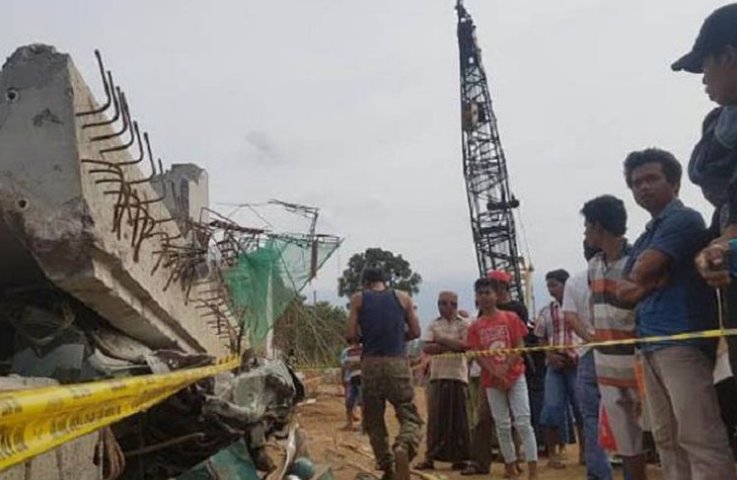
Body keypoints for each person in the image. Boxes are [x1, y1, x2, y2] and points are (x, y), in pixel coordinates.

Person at [618, 148, 736, 480]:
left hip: (681, 339)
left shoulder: (683, 219)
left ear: (674, 182)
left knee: (699, 436)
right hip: (652, 342)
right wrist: (643, 285)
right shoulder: (647, 234)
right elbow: (623, 291)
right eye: (636, 182)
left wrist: (640, 284)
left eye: (651, 178)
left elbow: (639, 275)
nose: (643, 187)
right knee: (667, 439)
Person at [672, 3, 737, 384]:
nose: (703, 80)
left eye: (705, 67)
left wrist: (727, 245)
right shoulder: (719, 128)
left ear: (728, 55)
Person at [569, 195, 648, 480]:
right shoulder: (594, 266)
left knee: (660, 438)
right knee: (627, 444)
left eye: (587, 226)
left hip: (638, 365)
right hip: (607, 368)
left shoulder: (637, 261)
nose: (585, 233)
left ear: (598, 227)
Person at [347, 267, 423, 480]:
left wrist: (365, 337)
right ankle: (404, 446)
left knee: (374, 419)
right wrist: (398, 338)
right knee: (408, 413)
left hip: (370, 364)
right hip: (397, 362)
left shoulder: (358, 299)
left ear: (366, 283)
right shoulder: (403, 297)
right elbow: (416, 332)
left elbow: (351, 334)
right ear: (384, 281)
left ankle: (387, 467)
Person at [466, 277, 538, 480]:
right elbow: (477, 353)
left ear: (496, 295)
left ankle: (533, 471)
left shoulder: (511, 318)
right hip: (491, 381)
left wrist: (505, 368)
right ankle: (511, 467)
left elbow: (519, 345)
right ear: (476, 298)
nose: (485, 297)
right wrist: (494, 371)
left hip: (515, 376)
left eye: (488, 293)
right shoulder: (475, 327)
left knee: (523, 422)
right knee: (502, 425)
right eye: (480, 294)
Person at [560, 241, 613, 480]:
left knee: (591, 416)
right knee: (627, 410)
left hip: (589, 353)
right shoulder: (624, 271)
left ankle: (600, 473)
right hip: (620, 349)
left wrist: (589, 338)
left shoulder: (575, 281)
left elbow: (570, 316)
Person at [415, 291, 471, 471]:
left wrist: (440, 340)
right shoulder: (433, 323)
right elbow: (427, 347)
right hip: (437, 376)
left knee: (459, 420)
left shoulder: (465, 324)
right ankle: (430, 457)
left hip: (458, 376)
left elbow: (465, 346)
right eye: (442, 303)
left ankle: (460, 458)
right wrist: (451, 344)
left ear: (455, 305)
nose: (445, 307)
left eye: (450, 303)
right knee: (436, 419)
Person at [534, 269, 583, 469]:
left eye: (554, 284)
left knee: (582, 408)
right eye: (548, 285)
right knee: (551, 407)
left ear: (566, 284)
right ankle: (552, 455)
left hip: (577, 362)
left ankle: (585, 453)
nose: (550, 288)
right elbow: (541, 336)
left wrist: (580, 354)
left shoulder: (580, 305)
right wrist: (549, 354)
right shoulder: (546, 311)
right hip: (555, 364)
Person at [340, 341, 363, 431]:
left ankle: (363, 425)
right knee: (349, 402)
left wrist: (352, 365)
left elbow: (348, 365)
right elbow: (344, 366)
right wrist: (342, 379)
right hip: (351, 379)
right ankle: (349, 423)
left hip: (362, 378)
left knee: (362, 403)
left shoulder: (365, 349)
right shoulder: (347, 351)